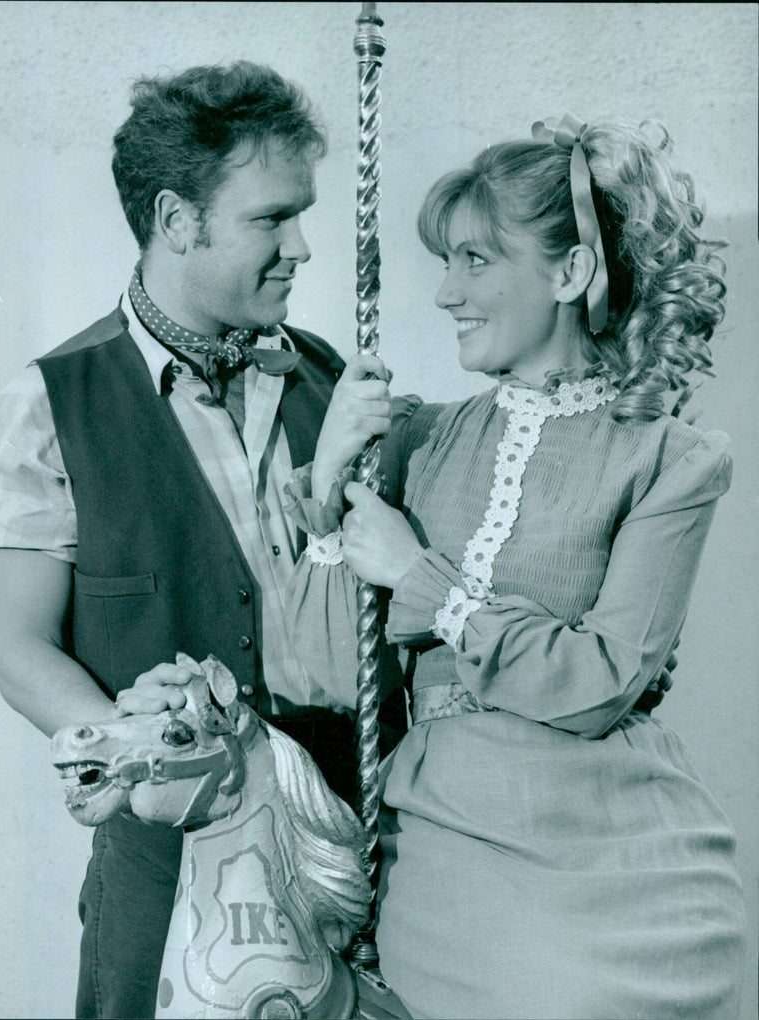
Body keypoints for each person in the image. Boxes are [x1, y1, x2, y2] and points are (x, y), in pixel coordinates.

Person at [284, 114, 748, 1019]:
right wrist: (334, 474)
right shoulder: (417, 440)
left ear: (571, 274)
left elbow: (604, 680)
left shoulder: (672, 460)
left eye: (475, 261)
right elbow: (326, 670)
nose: (446, 292)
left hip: (626, 856)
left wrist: (426, 582)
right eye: (444, 263)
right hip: (455, 843)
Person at [0, 62, 403, 1020]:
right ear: (176, 219)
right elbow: (20, 650)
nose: (302, 248)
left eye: (304, 215)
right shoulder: (48, 405)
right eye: (271, 219)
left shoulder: (330, 383)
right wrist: (135, 740)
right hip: (165, 884)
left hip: (364, 856)